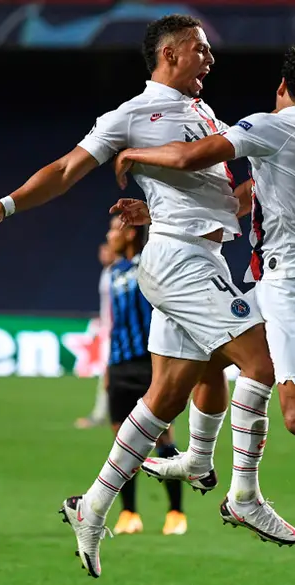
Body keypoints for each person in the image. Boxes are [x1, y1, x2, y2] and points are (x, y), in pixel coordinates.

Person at [0, 14, 295, 579]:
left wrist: (278, 178)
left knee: (169, 395)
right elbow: (66, 168)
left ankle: (92, 506)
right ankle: (243, 493)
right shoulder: (132, 116)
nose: (210, 59)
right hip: (178, 260)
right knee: (261, 362)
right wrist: (7, 207)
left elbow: (223, 203)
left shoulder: (204, 113)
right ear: (169, 54)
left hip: (201, 254)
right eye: (200, 50)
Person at [111, 41, 295, 585]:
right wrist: (160, 209)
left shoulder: (271, 125)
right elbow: (246, 197)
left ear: (282, 87)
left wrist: (135, 156)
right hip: (281, 280)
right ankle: (234, 487)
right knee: (210, 347)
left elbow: (197, 155)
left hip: (291, 283)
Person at [98, 216, 187, 536]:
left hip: (150, 365)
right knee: (122, 442)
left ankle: (176, 512)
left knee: (163, 438)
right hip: (120, 366)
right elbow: (109, 323)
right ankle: (129, 514)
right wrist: (107, 368)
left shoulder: (149, 266)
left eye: (113, 229)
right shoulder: (111, 273)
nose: (109, 236)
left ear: (131, 232)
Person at [75, 242, 117, 430]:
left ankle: (101, 415)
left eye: (106, 249)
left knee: (109, 375)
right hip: (109, 332)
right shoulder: (107, 273)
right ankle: (101, 413)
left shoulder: (120, 273)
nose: (102, 253)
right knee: (107, 375)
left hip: (119, 333)